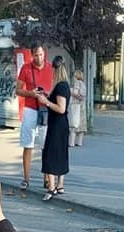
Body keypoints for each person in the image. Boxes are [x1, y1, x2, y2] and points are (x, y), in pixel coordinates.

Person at [16, 43, 53, 191]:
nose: (39, 58)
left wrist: (48, 94)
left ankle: (46, 178)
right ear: (32, 55)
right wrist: (31, 93)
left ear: (44, 54)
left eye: (41, 54)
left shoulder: (51, 68)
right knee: (28, 144)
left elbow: (57, 87)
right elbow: (18, 90)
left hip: (45, 108)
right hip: (30, 108)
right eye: (36, 55)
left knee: (45, 145)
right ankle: (26, 178)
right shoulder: (25, 68)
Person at [38, 56, 70, 201]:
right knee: (61, 153)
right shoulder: (63, 85)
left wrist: (46, 102)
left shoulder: (61, 86)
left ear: (55, 69)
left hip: (57, 124)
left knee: (51, 153)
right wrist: (46, 95)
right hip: (60, 124)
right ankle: (60, 185)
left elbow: (61, 108)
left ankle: (51, 188)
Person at [68, 69, 86, 148]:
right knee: (81, 126)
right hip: (82, 107)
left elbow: (75, 93)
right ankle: (79, 142)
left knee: (73, 125)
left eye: (74, 76)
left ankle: (71, 143)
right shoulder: (83, 84)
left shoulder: (77, 83)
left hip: (76, 106)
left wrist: (70, 91)